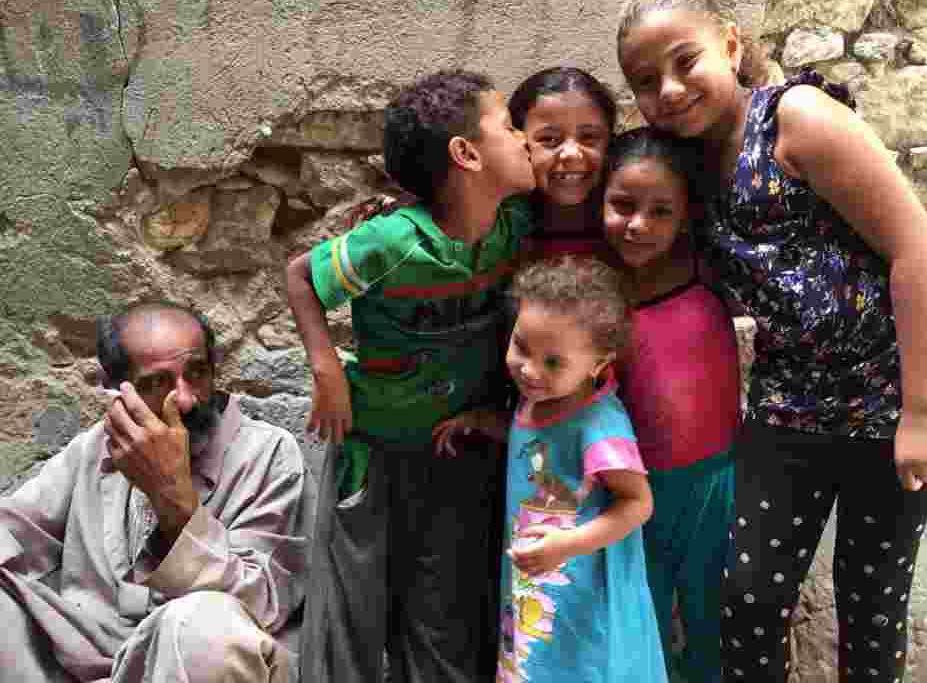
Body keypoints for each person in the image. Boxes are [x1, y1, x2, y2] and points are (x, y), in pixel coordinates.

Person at [615, 0, 927, 682]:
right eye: (644, 80)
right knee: (747, 597)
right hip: (795, 398)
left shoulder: (796, 119)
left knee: (870, 599)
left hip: (896, 391)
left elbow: (920, 249)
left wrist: (926, 411)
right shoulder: (682, 165)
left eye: (684, 60)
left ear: (729, 44)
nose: (666, 89)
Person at [287, 69, 535, 683]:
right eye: (509, 126)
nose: (526, 139)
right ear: (466, 153)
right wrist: (327, 370)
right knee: (352, 616)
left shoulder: (512, 231)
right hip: (375, 456)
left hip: (456, 457)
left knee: (446, 620)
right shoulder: (392, 241)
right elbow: (301, 277)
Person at [0, 302, 313, 683]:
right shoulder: (95, 448)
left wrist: (171, 493)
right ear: (115, 390)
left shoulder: (267, 453)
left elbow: (259, 603)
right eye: (156, 382)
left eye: (196, 373)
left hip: (197, 658)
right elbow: (12, 529)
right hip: (94, 663)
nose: (183, 399)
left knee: (198, 625)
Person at [602, 126, 740, 683]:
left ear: (686, 216)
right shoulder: (598, 296)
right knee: (646, 620)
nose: (639, 224)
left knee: (715, 618)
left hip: (718, 483)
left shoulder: (712, 275)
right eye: (623, 205)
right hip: (637, 491)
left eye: (661, 211)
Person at [488, 255, 665, 683]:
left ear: (599, 363)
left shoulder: (599, 425)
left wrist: (567, 546)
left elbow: (638, 503)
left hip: (578, 587)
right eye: (521, 347)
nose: (529, 369)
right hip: (536, 579)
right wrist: (484, 423)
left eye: (553, 362)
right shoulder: (537, 400)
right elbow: (538, 445)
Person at [508, 66, 617, 261]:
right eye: (549, 139)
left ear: (611, 141)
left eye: (589, 137)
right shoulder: (498, 235)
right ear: (519, 143)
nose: (571, 154)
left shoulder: (631, 231)